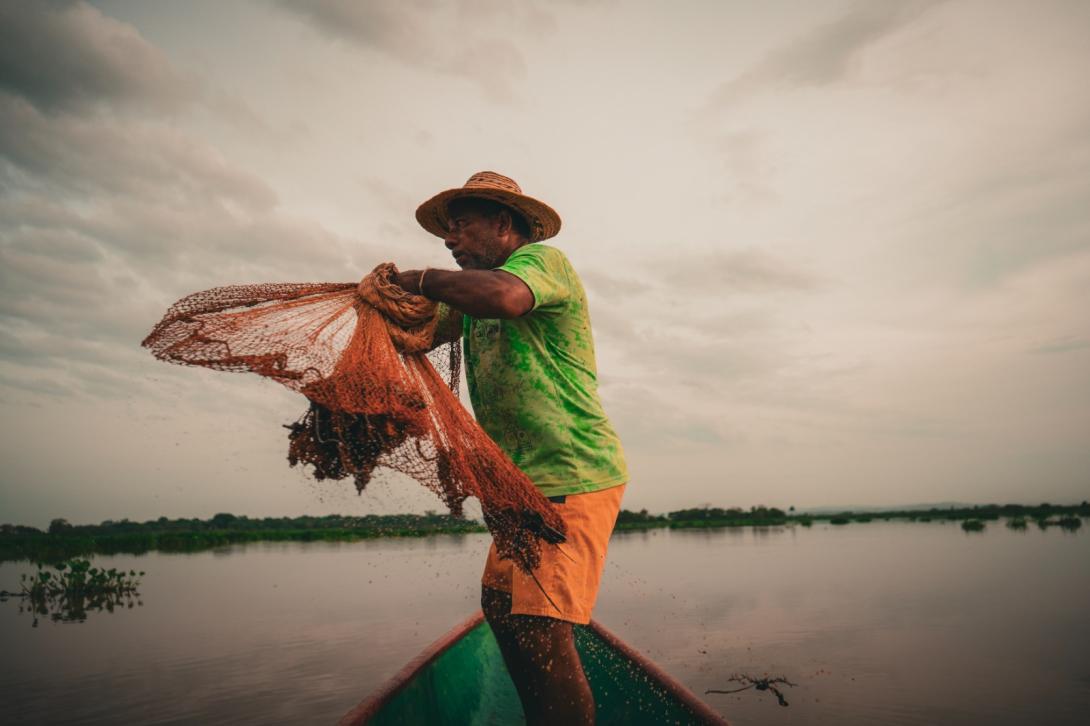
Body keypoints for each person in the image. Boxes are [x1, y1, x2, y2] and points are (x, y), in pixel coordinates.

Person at [393, 171, 628, 724]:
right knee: (502, 608)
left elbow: (504, 297)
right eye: (446, 231)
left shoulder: (541, 264)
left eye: (460, 226)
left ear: (503, 223)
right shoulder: (468, 298)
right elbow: (419, 331)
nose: (449, 240)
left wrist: (420, 278)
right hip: (515, 487)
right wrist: (380, 302)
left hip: (570, 473)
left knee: (538, 627)